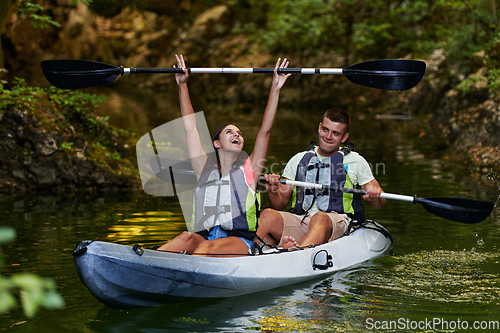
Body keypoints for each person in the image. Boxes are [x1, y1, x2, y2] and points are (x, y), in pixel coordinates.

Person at [158, 54, 291, 256]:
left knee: (205, 249)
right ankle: (147, 262)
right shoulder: (203, 168)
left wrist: (275, 88)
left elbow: (265, 131)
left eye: (239, 133)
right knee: (185, 238)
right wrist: (182, 85)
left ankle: (187, 273)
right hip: (204, 238)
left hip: (239, 242)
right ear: (217, 143)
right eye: (229, 132)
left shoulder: (250, 169)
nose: (237, 134)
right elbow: (190, 128)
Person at [257, 108, 385, 249]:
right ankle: (244, 254)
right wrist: (273, 190)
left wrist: (375, 197)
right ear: (319, 128)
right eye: (325, 130)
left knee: (319, 217)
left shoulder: (356, 161)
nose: (328, 136)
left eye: (335, 133)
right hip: (301, 220)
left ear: (344, 137)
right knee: (267, 214)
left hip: (335, 221)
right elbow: (280, 205)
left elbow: (380, 203)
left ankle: (298, 255)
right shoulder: (298, 159)